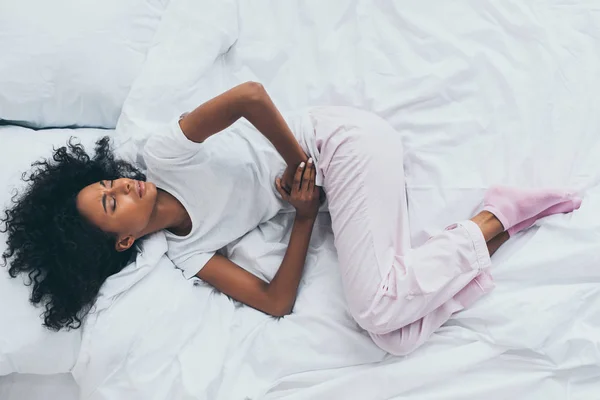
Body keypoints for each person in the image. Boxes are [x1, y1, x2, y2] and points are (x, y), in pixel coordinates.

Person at [1, 82, 581, 355]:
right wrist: (304, 216)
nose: (122, 184)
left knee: (376, 308)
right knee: (396, 336)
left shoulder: (163, 154)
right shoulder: (186, 254)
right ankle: (492, 224)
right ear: (125, 238)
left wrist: (298, 162)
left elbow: (249, 96)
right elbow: (275, 302)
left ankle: (495, 216)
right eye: (112, 201)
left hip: (337, 143)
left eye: (106, 183)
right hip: (324, 187)